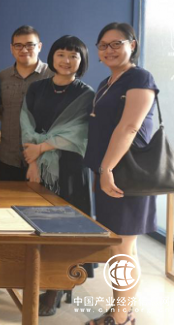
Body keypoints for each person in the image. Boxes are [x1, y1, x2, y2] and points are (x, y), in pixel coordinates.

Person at [84, 23, 158, 325]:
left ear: (132, 45)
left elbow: (129, 127)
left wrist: (107, 169)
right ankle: (121, 312)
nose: (109, 50)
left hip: (125, 173)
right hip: (109, 171)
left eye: (117, 43)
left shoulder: (140, 77)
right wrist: (102, 170)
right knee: (120, 246)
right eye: (103, 45)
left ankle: (120, 317)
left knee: (123, 247)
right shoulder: (107, 82)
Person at [20, 35, 94, 316]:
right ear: (51, 57)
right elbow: (26, 123)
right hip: (38, 165)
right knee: (39, 226)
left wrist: (41, 148)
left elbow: (78, 132)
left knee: (67, 229)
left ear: (81, 61)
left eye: (74, 56)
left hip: (71, 169)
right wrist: (33, 161)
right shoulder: (37, 88)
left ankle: (57, 287)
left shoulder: (86, 94)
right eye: (61, 54)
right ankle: (44, 280)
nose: (66, 60)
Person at [0, 25, 53, 181]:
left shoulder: (53, 77)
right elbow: (1, 113)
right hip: (8, 159)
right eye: (18, 45)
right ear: (12, 48)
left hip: (44, 161)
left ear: (39, 46)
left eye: (30, 45)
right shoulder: (0, 78)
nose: (24, 50)